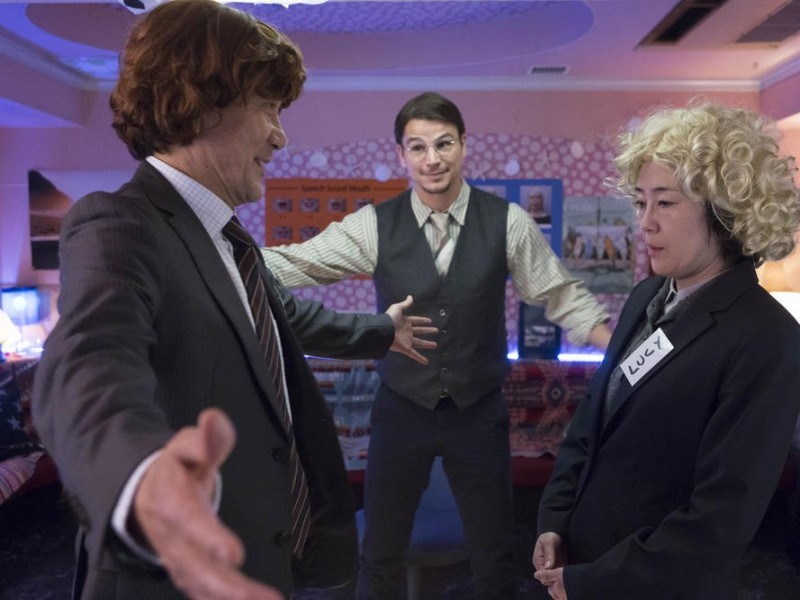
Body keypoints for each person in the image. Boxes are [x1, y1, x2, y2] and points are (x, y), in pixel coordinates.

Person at [30, 2, 437, 599]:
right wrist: (141, 478)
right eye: (268, 107)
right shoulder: (119, 223)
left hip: (256, 560)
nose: (280, 135)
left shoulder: (227, 237)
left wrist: (383, 330)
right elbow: (88, 364)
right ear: (200, 101)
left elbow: (284, 318)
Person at [261, 91, 611, 599]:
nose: (432, 159)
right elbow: (299, 262)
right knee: (380, 551)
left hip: (479, 411)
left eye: (444, 143)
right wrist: (220, 253)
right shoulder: (374, 225)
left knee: (494, 553)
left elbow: (559, 294)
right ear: (401, 155)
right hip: (400, 408)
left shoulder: (508, 221)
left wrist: (617, 348)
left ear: (464, 145)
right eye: (418, 147)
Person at [532, 102, 800, 600]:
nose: (645, 224)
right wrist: (554, 521)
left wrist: (591, 582)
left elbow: (719, 522)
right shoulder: (646, 296)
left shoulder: (768, 338)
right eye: (640, 203)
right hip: (585, 562)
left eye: (666, 203)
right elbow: (591, 423)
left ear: (723, 211)